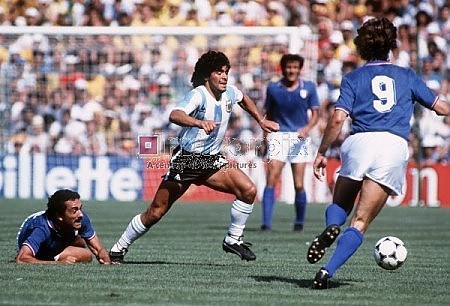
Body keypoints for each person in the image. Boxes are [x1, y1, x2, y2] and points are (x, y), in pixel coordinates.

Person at [306, 17, 449, 289]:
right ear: (392, 46)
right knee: (360, 221)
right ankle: (327, 271)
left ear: (361, 47)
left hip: (359, 141)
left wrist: (322, 151)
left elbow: (337, 119)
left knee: (340, 205)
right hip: (391, 146)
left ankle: (330, 229)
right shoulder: (406, 75)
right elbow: (440, 107)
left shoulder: (353, 78)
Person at [109, 50, 279, 263]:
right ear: (208, 76)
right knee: (155, 212)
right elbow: (175, 115)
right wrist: (199, 122)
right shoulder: (198, 95)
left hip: (211, 160)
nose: (224, 76)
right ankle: (118, 248)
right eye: (219, 72)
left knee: (248, 190)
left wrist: (261, 120)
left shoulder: (229, 93)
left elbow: (243, 98)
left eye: (226, 72)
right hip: (187, 160)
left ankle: (233, 239)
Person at [261, 54, 319, 232]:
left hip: (299, 138)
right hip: (279, 136)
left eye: (294, 67)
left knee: (299, 184)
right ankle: (266, 223)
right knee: (271, 180)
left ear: (299, 69)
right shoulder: (273, 88)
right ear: (283, 68)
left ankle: (299, 222)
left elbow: (316, 114)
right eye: (288, 67)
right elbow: (268, 115)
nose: (291, 70)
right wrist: (265, 137)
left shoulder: (309, 87)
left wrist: (306, 129)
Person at [16, 189, 111, 264]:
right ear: (59, 216)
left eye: (80, 208)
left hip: (61, 233)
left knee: (82, 244)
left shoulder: (80, 217)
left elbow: (98, 249)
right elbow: (22, 259)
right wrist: (59, 263)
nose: (80, 214)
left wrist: (105, 256)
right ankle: (53, 256)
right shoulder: (41, 228)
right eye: (74, 210)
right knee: (85, 255)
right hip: (41, 251)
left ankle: (59, 251)